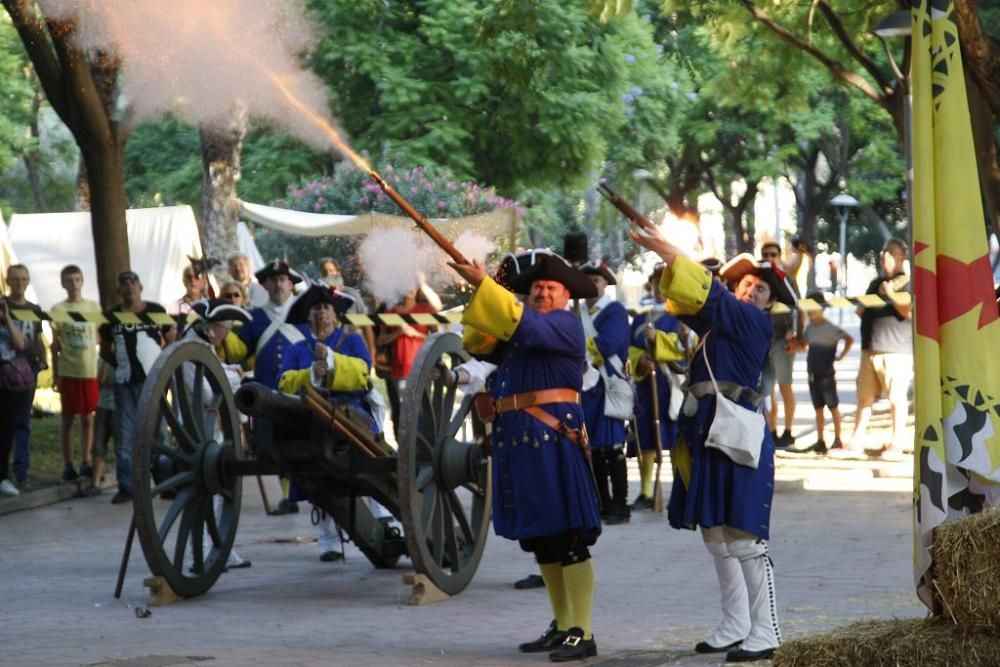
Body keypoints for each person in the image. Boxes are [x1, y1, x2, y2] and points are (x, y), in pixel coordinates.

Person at [630, 218, 795, 663]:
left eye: (759, 289)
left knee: (744, 538)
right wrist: (665, 259)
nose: (748, 291)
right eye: (742, 284)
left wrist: (667, 249)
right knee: (717, 536)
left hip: (737, 434)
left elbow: (710, 297)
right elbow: (684, 304)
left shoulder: (751, 323)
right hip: (708, 429)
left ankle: (766, 630)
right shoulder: (717, 322)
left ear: (768, 304)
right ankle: (736, 623)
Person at [450, 250, 601, 662]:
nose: (542, 294)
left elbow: (521, 324)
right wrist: (479, 288)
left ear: (566, 297)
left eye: (551, 289)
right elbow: (478, 340)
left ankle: (582, 632)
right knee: (543, 541)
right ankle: (563, 622)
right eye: (536, 288)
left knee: (568, 539)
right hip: (521, 443)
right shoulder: (522, 332)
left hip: (553, 442)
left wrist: (485, 283)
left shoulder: (564, 326)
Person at [278, 284, 373, 562]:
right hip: (309, 416)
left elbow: (364, 374)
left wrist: (332, 363)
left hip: (351, 412)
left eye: (326, 308)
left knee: (370, 465)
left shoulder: (352, 341)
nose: (321, 312)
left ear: (335, 315)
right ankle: (327, 540)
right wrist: (310, 374)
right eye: (316, 308)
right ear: (308, 317)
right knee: (313, 478)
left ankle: (384, 519)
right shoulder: (297, 348)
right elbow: (283, 381)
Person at [230, 259, 307, 515]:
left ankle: (303, 491)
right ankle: (288, 496)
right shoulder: (255, 317)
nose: (278, 284)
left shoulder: (305, 314)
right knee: (274, 446)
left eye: (283, 280)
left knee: (301, 443)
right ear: (264, 285)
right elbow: (239, 350)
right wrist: (222, 333)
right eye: (272, 280)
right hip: (268, 393)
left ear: (291, 285)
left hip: (301, 393)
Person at [99, 271, 173, 504]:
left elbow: (172, 338)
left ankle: (166, 482)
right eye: (124, 283)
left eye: (133, 282)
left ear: (140, 287)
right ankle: (127, 486)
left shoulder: (155, 311)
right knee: (125, 434)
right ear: (119, 290)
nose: (129, 286)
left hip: (153, 381)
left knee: (158, 432)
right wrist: (119, 366)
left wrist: (164, 365)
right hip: (124, 383)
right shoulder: (111, 317)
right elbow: (105, 349)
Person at [627, 264, 691, 511]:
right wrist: (639, 360)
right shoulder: (641, 318)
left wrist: (661, 342)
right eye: (655, 284)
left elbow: (687, 347)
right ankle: (645, 492)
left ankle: (680, 491)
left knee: (675, 438)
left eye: (663, 285)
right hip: (647, 383)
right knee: (647, 438)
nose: (658, 290)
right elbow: (629, 347)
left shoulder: (683, 317)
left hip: (672, 384)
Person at [849, 238, 912, 459]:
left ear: (902, 257)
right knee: (864, 397)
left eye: (892, 253)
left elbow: (909, 313)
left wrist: (892, 295)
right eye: (884, 252)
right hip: (870, 348)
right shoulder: (875, 283)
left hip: (896, 349)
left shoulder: (907, 282)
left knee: (896, 398)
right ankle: (856, 441)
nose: (886, 257)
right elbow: (860, 310)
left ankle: (897, 442)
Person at [579, 261, 631, 525]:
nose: (591, 284)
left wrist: (578, 353)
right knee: (593, 449)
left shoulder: (615, 311)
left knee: (612, 447)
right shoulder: (576, 312)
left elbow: (609, 343)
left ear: (604, 283)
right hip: (586, 387)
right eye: (587, 280)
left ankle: (620, 505)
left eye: (596, 280)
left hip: (608, 383)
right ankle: (602, 502)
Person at [50, 265, 102, 483]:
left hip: (89, 370)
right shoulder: (57, 309)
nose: (73, 284)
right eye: (69, 281)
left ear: (82, 281)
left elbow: (99, 336)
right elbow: (55, 344)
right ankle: (68, 464)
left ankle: (86, 460)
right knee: (68, 419)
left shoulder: (92, 307)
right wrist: (56, 373)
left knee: (89, 418)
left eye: (77, 280)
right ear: (63, 284)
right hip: (68, 370)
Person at [376, 281, 440, 437]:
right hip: (397, 372)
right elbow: (381, 340)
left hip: (422, 370)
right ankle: (403, 449)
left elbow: (438, 338)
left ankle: (422, 450)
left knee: (422, 411)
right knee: (400, 413)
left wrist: (414, 333)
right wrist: (399, 332)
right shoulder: (390, 311)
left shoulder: (426, 310)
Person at [4, 264, 46, 487]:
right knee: (5, 422)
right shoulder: (4, 306)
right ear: (8, 281)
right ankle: (4, 470)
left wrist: (43, 358)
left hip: (28, 371)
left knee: (23, 422)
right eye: (15, 279)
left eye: (23, 279)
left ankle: (21, 470)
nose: (20, 283)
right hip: (7, 371)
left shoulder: (34, 308)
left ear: (28, 281)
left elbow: (38, 337)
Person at [797, 297, 853, 454]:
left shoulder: (830, 327)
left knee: (833, 407)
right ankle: (820, 440)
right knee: (818, 408)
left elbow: (849, 339)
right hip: (812, 373)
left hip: (826, 373)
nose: (810, 311)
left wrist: (841, 356)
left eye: (813, 308)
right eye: (808, 308)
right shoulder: (810, 328)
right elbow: (802, 345)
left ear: (822, 309)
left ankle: (837, 439)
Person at [760, 242, 798, 448]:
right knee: (766, 389)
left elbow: (798, 306)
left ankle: (789, 432)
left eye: (772, 254)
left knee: (785, 387)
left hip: (783, 339)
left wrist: (796, 335)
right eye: (765, 254)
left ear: (779, 255)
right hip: (764, 339)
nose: (768, 257)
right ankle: (771, 431)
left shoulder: (787, 279)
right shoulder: (759, 277)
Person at [0, 292, 29, 496]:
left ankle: (2, 477)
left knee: (5, 429)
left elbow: (20, 344)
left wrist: (7, 317)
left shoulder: (8, 321)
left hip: (6, 382)